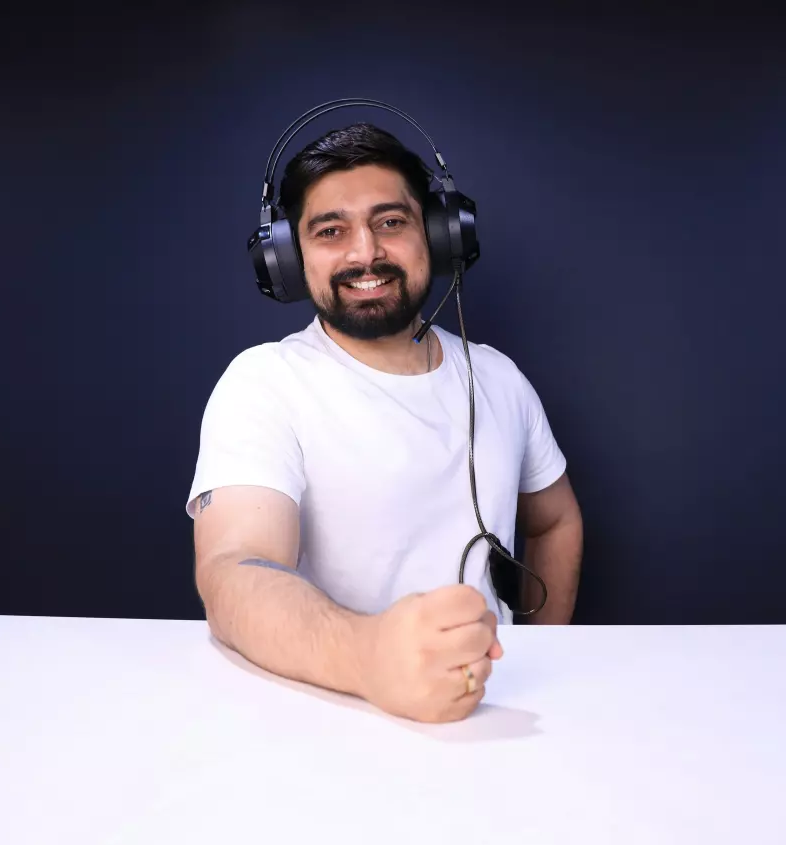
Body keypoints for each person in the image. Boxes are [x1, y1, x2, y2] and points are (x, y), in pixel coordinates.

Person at [187, 120, 583, 724]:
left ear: (440, 234)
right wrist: (371, 658)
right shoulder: (263, 383)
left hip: (496, 715)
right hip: (332, 716)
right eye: (331, 231)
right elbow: (235, 570)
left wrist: (542, 655)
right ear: (290, 259)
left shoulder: (498, 377)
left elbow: (555, 519)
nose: (365, 252)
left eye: (390, 222)